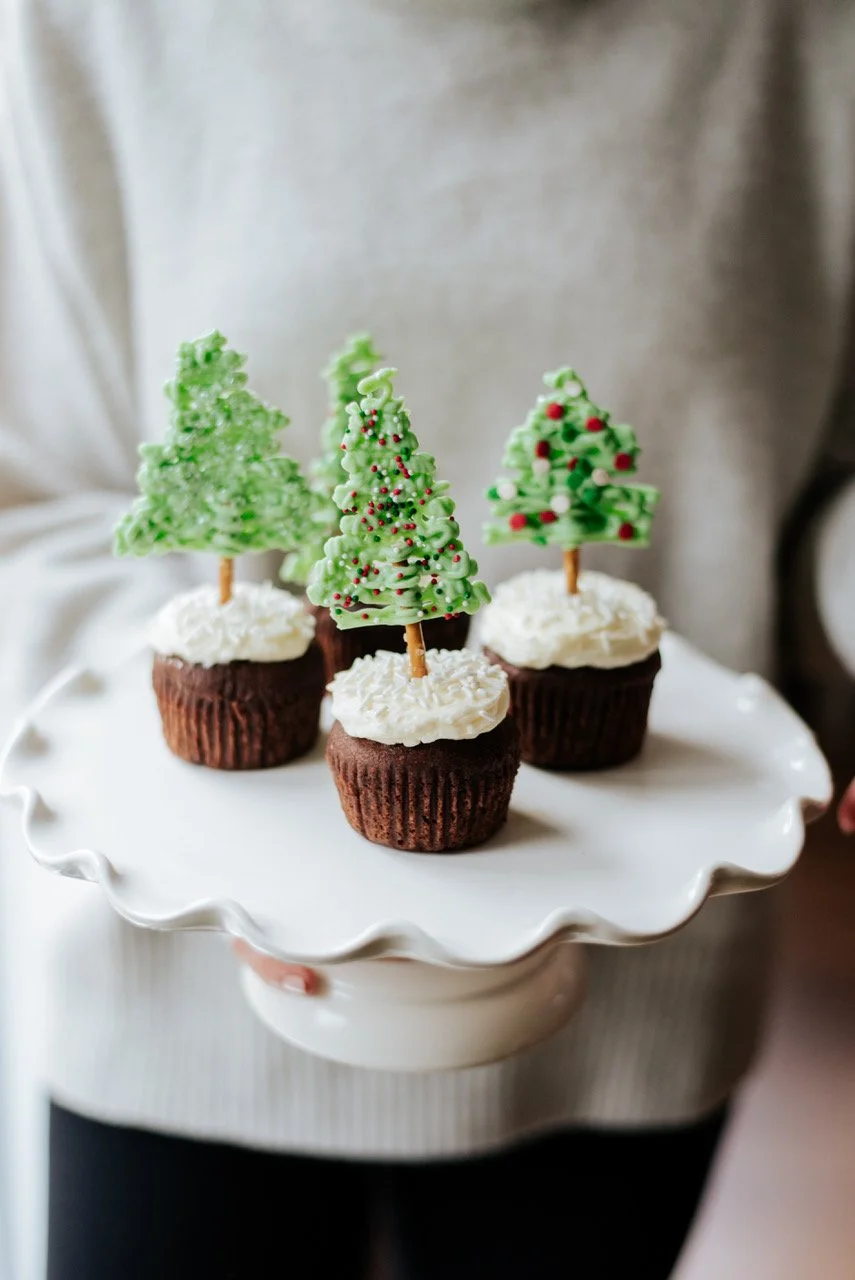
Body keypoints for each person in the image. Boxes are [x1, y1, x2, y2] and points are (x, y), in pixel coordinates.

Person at [1, 1, 854, 1276]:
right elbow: (34, 492)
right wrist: (230, 834)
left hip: (631, 1003)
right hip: (176, 1013)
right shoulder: (94, 23)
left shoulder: (808, 35)